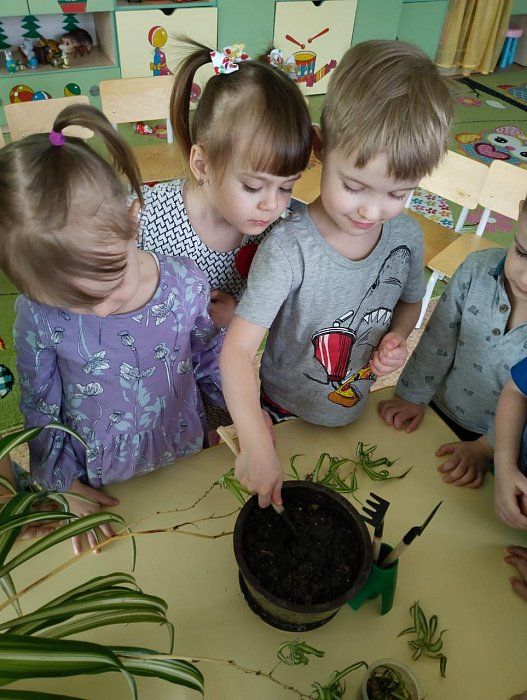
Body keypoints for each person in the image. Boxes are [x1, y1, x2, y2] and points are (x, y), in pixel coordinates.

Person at [219, 40, 453, 507]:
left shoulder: (405, 235)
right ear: (321, 148)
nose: (372, 210)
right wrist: (256, 440)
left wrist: (398, 338)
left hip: (357, 408)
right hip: (282, 413)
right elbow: (237, 350)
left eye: (398, 193)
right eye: (354, 186)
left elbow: (409, 302)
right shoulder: (289, 247)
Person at [0, 104, 225, 553]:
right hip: (97, 475)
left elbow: (208, 359)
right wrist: (62, 485)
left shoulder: (186, 283)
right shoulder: (36, 315)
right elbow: (40, 409)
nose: (100, 312)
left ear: (133, 219)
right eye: (73, 301)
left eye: (111, 283)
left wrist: (229, 423)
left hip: (185, 446)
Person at [135, 40, 313, 330]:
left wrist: (240, 317)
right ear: (202, 165)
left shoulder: (276, 233)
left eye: (286, 187)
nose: (272, 205)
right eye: (254, 186)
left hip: (219, 364)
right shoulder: (144, 217)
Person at [380, 200, 527, 491]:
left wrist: (486, 449)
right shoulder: (476, 269)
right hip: (439, 408)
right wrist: (412, 395)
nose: (525, 277)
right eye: (522, 252)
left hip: (504, 449)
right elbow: (438, 339)